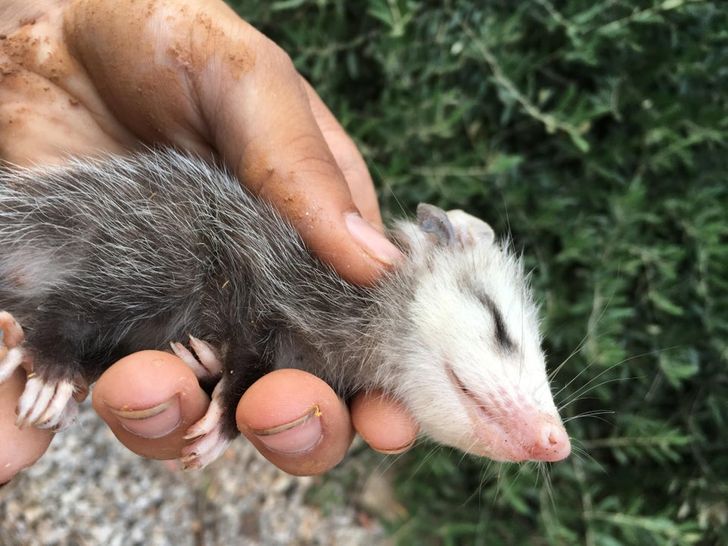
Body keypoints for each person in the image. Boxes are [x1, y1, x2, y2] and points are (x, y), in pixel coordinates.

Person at [0, 0, 417, 484]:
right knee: (173, 262)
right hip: (88, 241)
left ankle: (40, 345)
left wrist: (230, 397)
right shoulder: (340, 287)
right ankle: (50, 347)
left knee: (158, 333)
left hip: (70, 258)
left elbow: (252, 327)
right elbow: (246, 303)